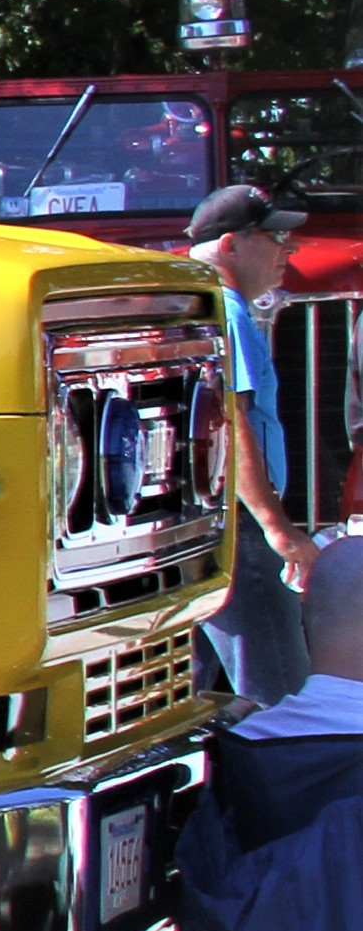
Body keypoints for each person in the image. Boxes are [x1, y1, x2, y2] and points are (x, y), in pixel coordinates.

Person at [194, 184, 317, 704]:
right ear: (231, 244)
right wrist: (277, 529)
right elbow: (231, 420)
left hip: (204, 525)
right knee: (281, 696)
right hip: (241, 530)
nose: (289, 250)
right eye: (277, 236)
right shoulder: (231, 314)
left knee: (184, 698)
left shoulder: (203, 304)